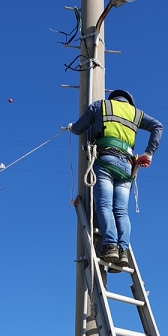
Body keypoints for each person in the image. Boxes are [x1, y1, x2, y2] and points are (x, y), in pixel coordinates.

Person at [68, 90, 162, 268]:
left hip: (105, 159)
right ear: (129, 102)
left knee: (104, 205)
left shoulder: (100, 106)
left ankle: (110, 245)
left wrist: (72, 127)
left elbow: (79, 129)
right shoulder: (136, 113)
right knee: (120, 210)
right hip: (127, 165)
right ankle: (123, 250)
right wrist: (149, 153)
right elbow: (157, 126)